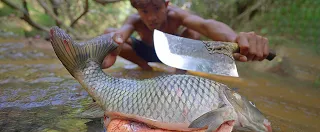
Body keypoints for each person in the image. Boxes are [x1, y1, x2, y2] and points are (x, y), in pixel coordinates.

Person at [102, 0, 270, 72]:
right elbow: (121, 33)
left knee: (193, 32)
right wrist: (114, 42)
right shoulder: (135, 20)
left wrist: (235, 39)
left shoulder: (176, 15)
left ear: (166, 5)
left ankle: (179, 73)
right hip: (146, 53)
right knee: (109, 34)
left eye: (157, 9)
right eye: (144, 11)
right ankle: (145, 67)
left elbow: (205, 25)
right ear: (137, 10)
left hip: (173, 54)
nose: (151, 17)